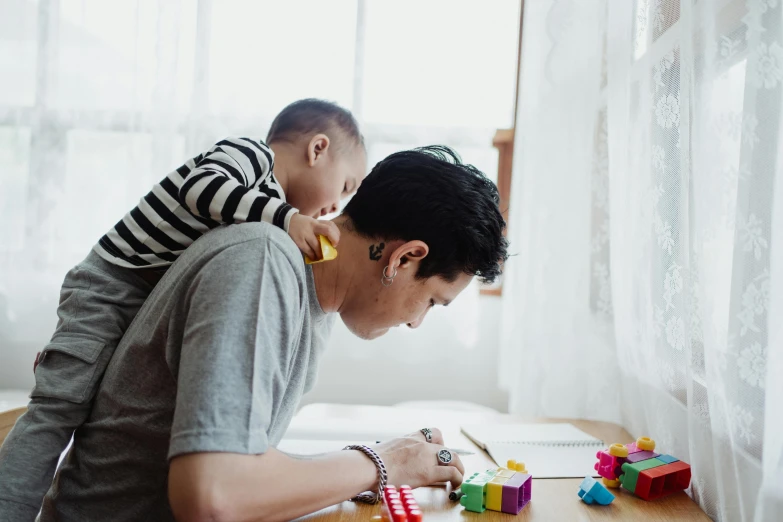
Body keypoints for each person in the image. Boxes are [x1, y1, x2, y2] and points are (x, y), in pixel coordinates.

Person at [29, 145, 507, 522]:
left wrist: (380, 462)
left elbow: (244, 467)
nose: (416, 322)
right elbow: (213, 499)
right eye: (431, 302)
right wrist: (383, 463)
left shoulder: (314, 296)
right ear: (404, 258)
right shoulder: (262, 265)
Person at [0, 99, 367, 522]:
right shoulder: (250, 156)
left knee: (92, 401)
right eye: (344, 187)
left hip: (137, 300)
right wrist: (287, 219)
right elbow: (201, 189)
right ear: (317, 149)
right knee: (57, 410)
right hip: (109, 287)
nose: (334, 209)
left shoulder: (263, 213)